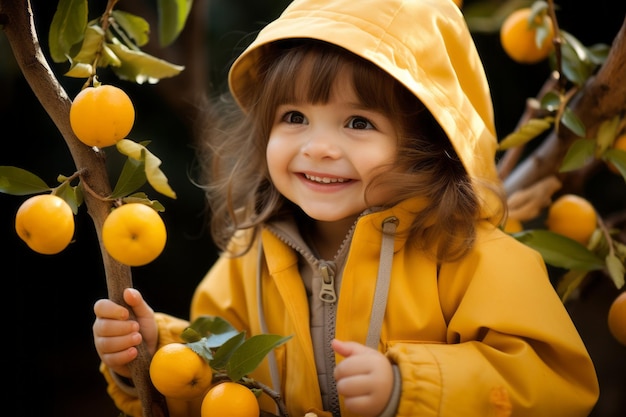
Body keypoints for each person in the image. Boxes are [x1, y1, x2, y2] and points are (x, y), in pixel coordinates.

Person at [92, 0, 600, 416]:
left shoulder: (474, 256)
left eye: (357, 123)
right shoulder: (250, 263)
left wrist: (411, 386)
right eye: (294, 116)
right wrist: (154, 358)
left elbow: (554, 384)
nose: (318, 147)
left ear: (428, 141)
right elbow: (223, 387)